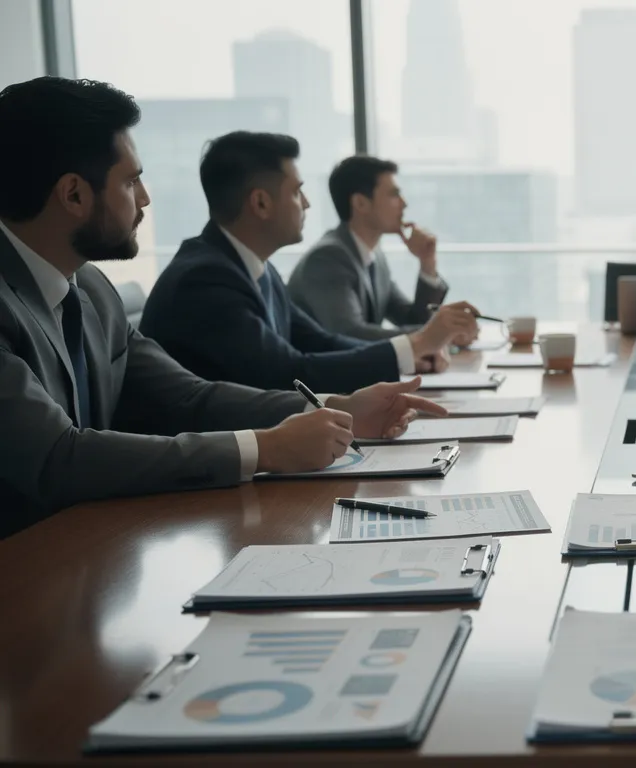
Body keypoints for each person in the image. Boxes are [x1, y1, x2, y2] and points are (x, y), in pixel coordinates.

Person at [0, 77, 445, 538]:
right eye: (132, 181)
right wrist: (264, 449)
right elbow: (58, 458)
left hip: (93, 549)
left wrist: (340, 407)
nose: (146, 198)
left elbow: (191, 396)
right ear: (73, 195)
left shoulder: (91, 288)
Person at [139, 132, 474, 393]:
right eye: (297, 192)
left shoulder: (256, 268)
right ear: (261, 203)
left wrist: (411, 352)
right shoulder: (205, 280)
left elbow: (319, 341)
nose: (308, 203)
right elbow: (286, 372)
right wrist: (412, 346)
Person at [287, 154, 479, 343]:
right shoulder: (327, 258)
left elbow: (412, 320)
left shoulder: (373, 255)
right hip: (309, 375)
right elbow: (351, 334)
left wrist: (427, 263)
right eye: (394, 194)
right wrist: (439, 332)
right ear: (360, 203)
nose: (404, 203)